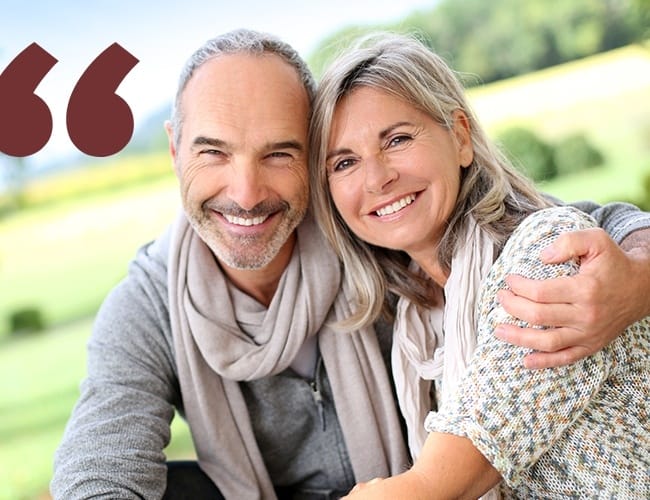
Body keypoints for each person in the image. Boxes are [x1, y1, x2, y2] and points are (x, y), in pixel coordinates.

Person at [51, 28, 650, 499]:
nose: (247, 190)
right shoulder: (153, 303)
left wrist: (638, 277)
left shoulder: (374, 242)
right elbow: (100, 461)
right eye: (213, 152)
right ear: (176, 150)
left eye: (279, 153)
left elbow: (570, 228)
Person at [309, 32, 650, 498]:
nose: (377, 177)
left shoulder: (544, 257)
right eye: (344, 162)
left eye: (398, 139)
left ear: (462, 139)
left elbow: (434, 487)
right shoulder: (417, 318)